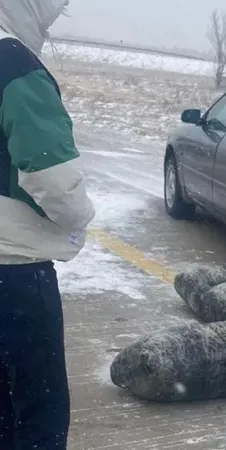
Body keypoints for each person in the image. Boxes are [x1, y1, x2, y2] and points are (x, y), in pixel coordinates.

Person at [0, 1, 96, 447]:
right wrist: (81, 218)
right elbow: (56, 183)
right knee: (35, 421)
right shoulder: (14, 65)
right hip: (14, 275)